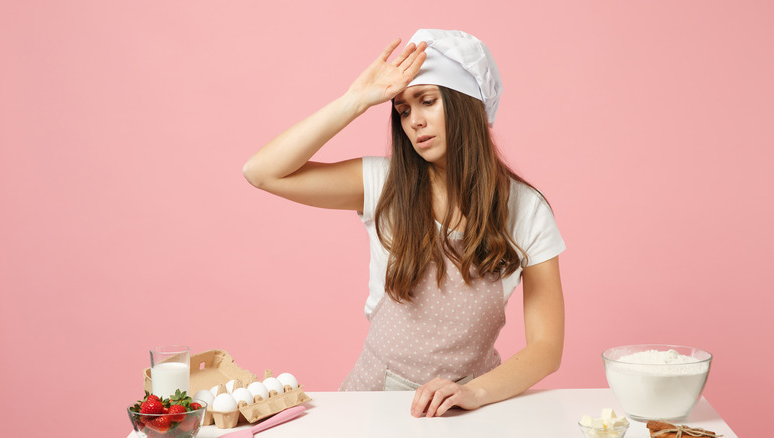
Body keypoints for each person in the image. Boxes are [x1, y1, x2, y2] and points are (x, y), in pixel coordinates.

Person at [242, 29, 566, 418]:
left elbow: (547, 347)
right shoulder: (383, 184)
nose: (414, 121)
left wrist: (474, 394)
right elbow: (262, 172)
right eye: (403, 110)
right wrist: (356, 100)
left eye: (427, 101)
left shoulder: (526, 209)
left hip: (471, 410)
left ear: (468, 104)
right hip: (373, 403)